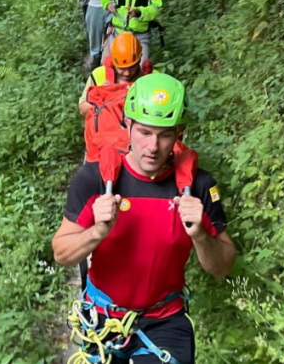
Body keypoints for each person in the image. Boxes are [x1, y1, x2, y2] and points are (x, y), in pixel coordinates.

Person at [53, 73, 236, 364]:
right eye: (144, 132)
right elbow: (61, 253)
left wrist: (201, 235)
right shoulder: (95, 180)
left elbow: (222, 266)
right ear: (127, 125)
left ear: (179, 133)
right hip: (103, 319)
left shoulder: (197, 186)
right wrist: (96, 233)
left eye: (164, 135)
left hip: (165, 321)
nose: (153, 146)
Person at [78, 32, 145, 117]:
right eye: (121, 68)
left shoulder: (149, 77)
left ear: (140, 59)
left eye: (132, 67)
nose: (127, 73)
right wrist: (100, 95)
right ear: (112, 62)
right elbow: (82, 110)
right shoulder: (99, 75)